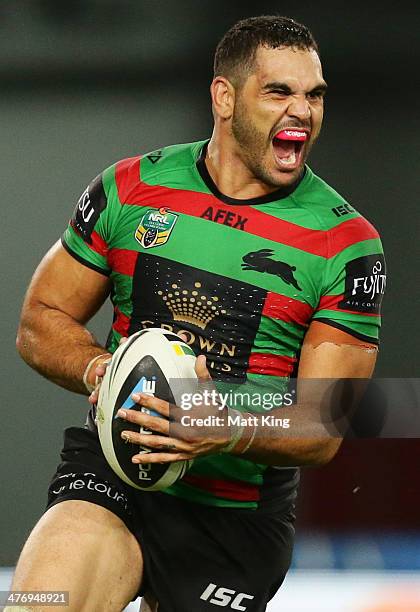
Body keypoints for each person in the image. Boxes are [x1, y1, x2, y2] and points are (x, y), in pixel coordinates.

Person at [11, 15, 385, 612]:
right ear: (225, 97)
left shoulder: (346, 245)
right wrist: (102, 372)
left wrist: (224, 423)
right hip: (113, 478)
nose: (303, 111)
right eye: (279, 91)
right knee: (43, 603)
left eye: (314, 95)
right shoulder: (132, 189)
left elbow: (328, 420)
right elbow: (41, 319)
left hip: (234, 522)